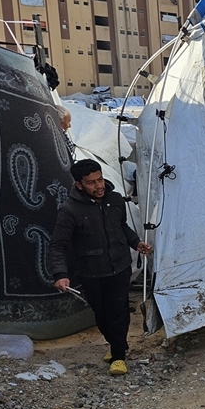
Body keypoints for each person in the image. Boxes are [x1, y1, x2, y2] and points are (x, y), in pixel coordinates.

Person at [50, 159, 151, 376]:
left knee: (119, 311)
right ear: (79, 185)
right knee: (101, 314)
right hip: (91, 271)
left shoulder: (115, 200)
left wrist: (136, 243)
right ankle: (117, 343)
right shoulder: (70, 211)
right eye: (91, 183)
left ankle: (118, 356)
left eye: (100, 179)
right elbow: (58, 245)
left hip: (120, 265)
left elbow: (121, 226)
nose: (98, 186)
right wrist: (60, 274)